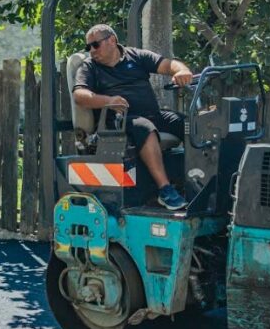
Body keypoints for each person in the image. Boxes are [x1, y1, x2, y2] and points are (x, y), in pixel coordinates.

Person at [72, 23, 192, 210]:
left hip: (153, 115)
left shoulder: (136, 56)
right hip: (118, 123)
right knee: (145, 127)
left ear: (112, 40)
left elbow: (168, 64)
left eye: (95, 45)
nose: (91, 51)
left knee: (190, 125)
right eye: (88, 47)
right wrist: (108, 101)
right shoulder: (89, 67)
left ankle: (195, 183)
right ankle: (165, 190)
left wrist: (181, 70)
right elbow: (80, 95)